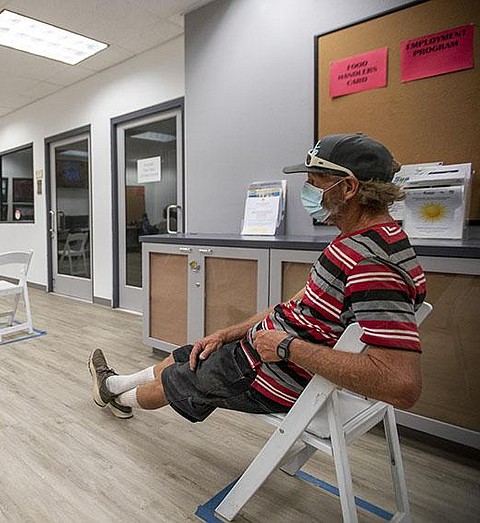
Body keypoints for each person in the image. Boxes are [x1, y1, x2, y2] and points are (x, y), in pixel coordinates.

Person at [89, 133, 427, 420]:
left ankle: (117, 398)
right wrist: (227, 333)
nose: (308, 191)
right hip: (262, 353)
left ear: (349, 187)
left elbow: (399, 383)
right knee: (190, 353)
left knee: (174, 379)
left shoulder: (373, 264)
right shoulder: (365, 240)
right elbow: (296, 306)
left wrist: (287, 347)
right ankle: (113, 384)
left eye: (314, 183)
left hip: (269, 373)